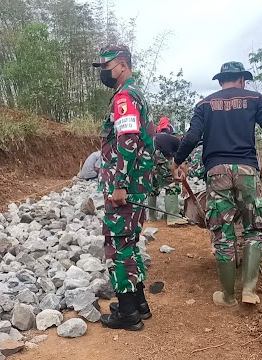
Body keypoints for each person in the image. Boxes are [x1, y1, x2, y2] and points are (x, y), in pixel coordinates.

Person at [173, 61, 262, 307]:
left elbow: (192, 137)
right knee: (253, 228)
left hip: (217, 171)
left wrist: (177, 162)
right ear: (242, 79)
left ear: (221, 81)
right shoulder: (255, 99)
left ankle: (228, 296)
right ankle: (250, 289)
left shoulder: (205, 104)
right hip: (247, 170)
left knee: (223, 231)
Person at [92, 45, 155, 330]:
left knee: (118, 247)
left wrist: (118, 184)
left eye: (106, 67)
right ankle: (138, 303)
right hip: (137, 185)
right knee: (129, 244)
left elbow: (127, 141)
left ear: (121, 65)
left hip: (126, 186)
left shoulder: (125, 97)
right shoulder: (133, 93)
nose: (104, 73)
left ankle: (128, 314)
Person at [148, 132, 187, 226]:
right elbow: (183, 165)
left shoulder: (167, 141)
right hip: (157, 152)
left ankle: (151, 217)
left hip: (147, 151)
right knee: (171, 181)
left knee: (154, 184)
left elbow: (170, 164)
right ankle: (173, 216)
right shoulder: (179, 144)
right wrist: (184, 185)